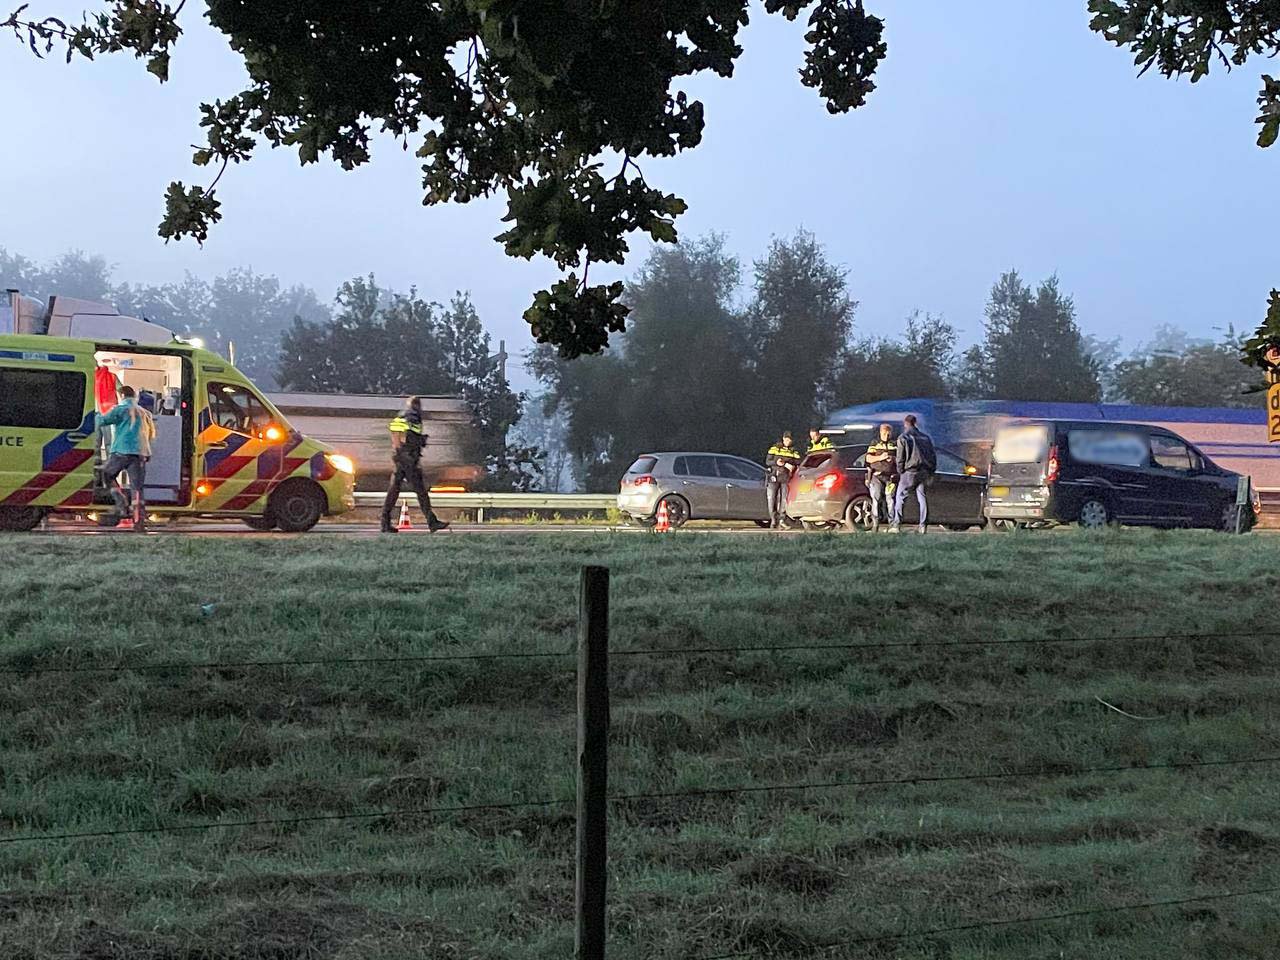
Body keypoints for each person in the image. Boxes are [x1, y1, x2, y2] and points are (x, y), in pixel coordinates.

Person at [381, 396, 450, 534]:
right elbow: (410, 436)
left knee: (394, 490)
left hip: (400, 456)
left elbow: (396, 433)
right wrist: (420, 441)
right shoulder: (413, 416)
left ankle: (385, 523)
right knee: (421, 492)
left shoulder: (401, 415)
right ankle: (432, 522)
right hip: (408, 458)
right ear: (417, 405)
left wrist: (399, 449)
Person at [96, 385, 155, 529]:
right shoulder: (145, 412)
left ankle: (122, 503)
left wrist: (97, 413)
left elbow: (101, 421)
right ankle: (138, 522)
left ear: (121, 395)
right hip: (141, 453)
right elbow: (152, 433)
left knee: (106, 475)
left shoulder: (121, 409)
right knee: (137, 488)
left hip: (121, 451)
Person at [891, 414, 936, 534]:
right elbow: (932, 456)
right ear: (915, 423)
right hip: (923, 472)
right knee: (922, 498)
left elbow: (900, 457)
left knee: (900, 497)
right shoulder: (925, 438)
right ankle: (923, 525)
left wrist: (900, 471)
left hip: (909, 472)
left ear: (905, 423)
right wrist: (931, 472)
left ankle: (896, 524)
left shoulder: (903, 438)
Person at [864, 422, 897, 532]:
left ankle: (892, 525)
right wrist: (880, 457)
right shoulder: (874, 443)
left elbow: (900, 459)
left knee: (890, 501)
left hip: (890, 477)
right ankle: (875, 525)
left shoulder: (894, 444)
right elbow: (868, 458)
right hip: (877, 476)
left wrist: (893, 459)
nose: (886, 436)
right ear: (880, 433)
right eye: (884, 434)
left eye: (888, 434)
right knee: (876, 498)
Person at [764, 431, 801, 529]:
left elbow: (798, 461)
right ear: (783, 439)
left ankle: (782, 519)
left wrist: (792, 465)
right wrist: (778, 462)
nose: (788, 441)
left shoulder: (794, 451)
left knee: (784, 499)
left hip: (786, 478)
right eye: (787, 439)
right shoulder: (775, 448)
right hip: (774, 477)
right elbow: (768, 461)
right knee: (772, 499)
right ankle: (773, 519)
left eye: (790, 440)